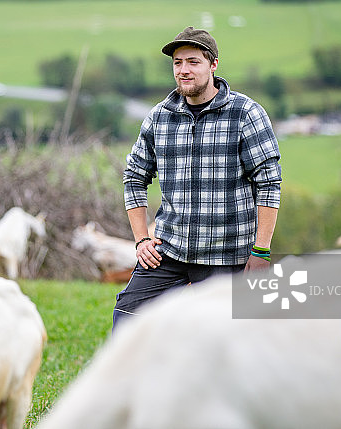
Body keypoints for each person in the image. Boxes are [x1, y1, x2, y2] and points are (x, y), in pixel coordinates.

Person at [113, 26, 281, 329]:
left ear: (213, 64)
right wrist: (140, 240)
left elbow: (268, 185)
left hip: (227, 253)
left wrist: (260, 252)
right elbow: (134, 177)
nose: (183, 70)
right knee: (128, 316)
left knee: (228, 336)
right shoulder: (159, 117)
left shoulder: (246, 114)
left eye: (193, 62)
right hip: (170, 249)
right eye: (177, 63)